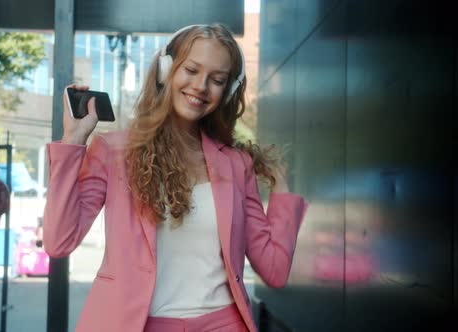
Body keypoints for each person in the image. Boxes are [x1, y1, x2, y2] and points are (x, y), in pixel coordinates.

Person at [43, 24, 308, 332]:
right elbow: (58, 242)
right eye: (192, 70)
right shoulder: (113, 152)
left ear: (228, 90)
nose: (201, 86)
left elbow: (274, 270)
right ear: (166, 69)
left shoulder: (237, 164)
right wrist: (73, 142)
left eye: (217, 79)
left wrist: (282, 191)